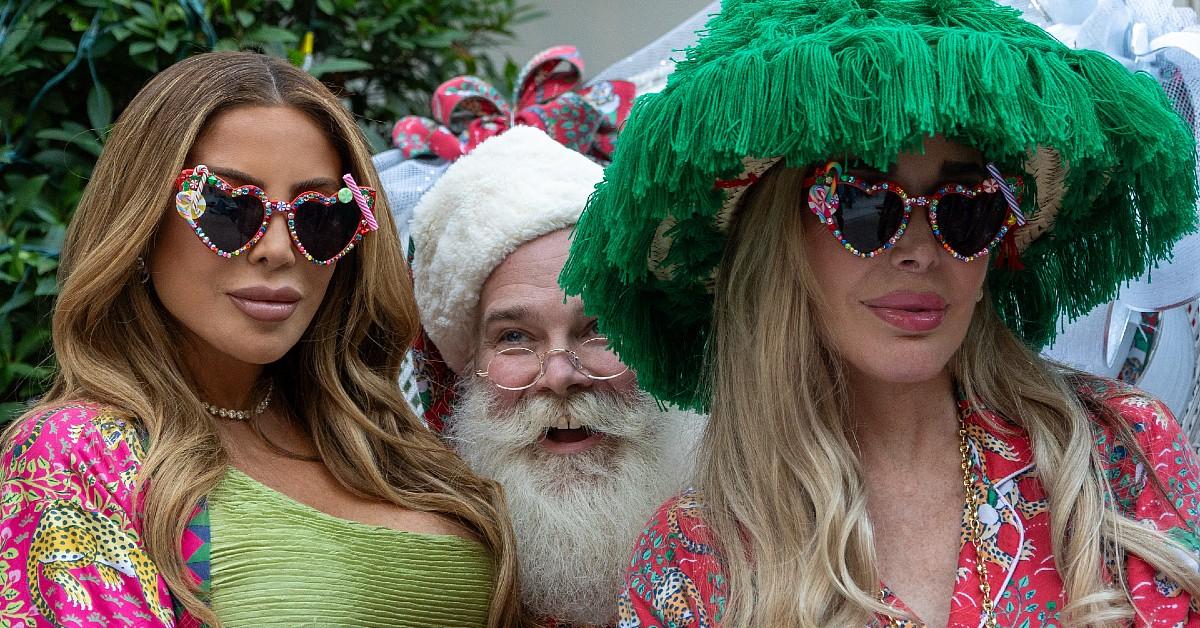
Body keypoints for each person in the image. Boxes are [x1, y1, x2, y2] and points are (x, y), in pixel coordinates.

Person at [560, 0, 1200, 626]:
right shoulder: (692, 563)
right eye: (865, 205)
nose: (920, 251)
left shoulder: (1122, 455)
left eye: (966, 208)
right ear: (775, 251)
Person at [0, 51, 525, 627]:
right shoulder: (76, 453)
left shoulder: (386, 436)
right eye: (230, 208)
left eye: (322, 215)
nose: (278, 248)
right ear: (143, 225)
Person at [409, 126, 703, 626]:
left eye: (600, 329)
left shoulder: (763, 539)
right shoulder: (425, 583)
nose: (561, 375)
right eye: (514, 337)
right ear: (468, 371)